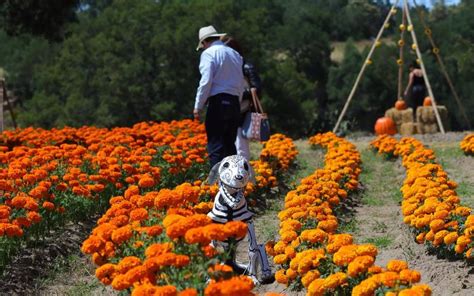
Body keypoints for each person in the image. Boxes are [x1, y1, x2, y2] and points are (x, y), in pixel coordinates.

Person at [194, 25, 246, 167]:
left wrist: (198, 106)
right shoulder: (235, 54)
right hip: (234, 102)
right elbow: (241, 82)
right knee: (230, 145)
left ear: (204, 42)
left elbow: (206, 81)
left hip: (219, 101)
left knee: (216, 146)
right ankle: (233, 184)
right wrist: (238, 102)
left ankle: (216, 184)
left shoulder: (209, 53)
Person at [221, 36, 262, 161]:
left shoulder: (246, 67)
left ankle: (243, 175)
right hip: (226, 110)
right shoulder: (224, 68)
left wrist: (238, 94)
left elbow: (258, 90)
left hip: (242, 111)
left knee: (241, 147)